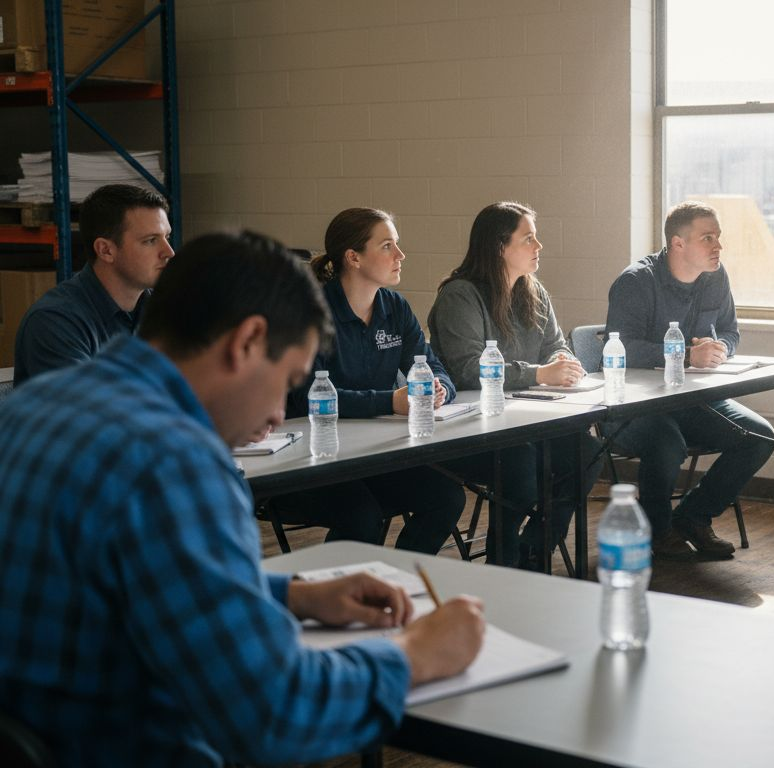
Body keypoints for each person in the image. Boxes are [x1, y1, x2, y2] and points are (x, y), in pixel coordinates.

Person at [0, 230, 485, 765]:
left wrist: (291, 594)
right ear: (247, 342)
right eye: (286, 380)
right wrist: (414, 655)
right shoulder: (177, 462)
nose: (280, 414)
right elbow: (274, 713)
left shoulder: (31, 405)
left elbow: (142, 583)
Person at [276, 207, 466, 555]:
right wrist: (390, 401)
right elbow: (306, 398)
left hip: (373, 454)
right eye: (387, 246)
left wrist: (438, 389)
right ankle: (336, 598)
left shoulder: (395, 307)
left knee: (446, 498)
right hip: (313, 459)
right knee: (362, 516)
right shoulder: (310, 312)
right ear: (353, 257)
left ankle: (397, 584)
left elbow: (433, 367)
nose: (400, 255)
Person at [428, 201, 602, 570]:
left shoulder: (533, 290)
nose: (538, 247)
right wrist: (539, 373)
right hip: (474, 426)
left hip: (528, 417)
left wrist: (561, 361)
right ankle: (503, 559)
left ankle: (535, 549)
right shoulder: (460, 295)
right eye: (529, 239)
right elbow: (466, 370)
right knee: (521, 466)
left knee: (586, 453)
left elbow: (556, 344)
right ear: (499, 247)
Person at [604, 201, 774, 560]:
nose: (718, 247)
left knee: (760, 437)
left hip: (692, 400)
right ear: (677, 244)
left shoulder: (716, 276)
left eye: (718, 237)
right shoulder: (635, 282)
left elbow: (730, 331)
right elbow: (619, 348)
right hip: (633, 407)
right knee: (667, 442)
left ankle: (692, 519)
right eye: (708, 238)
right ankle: (656, 532)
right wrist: (684, 355)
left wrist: (720, 349)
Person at [12, 183, 173, 385]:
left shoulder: (162, 310)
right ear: (105, 250)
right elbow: (92, 412)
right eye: (150, 240)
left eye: (166, 237)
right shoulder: (55, 321)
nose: (169, 252)